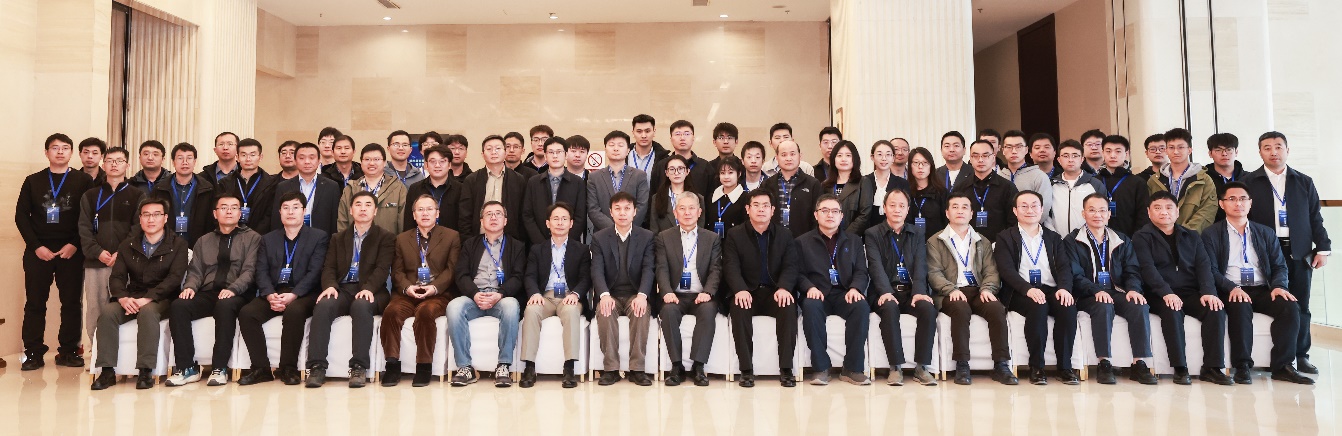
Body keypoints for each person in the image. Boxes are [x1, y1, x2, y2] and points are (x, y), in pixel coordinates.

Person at [1201, 182, 1313, 384]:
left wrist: (1279, 286)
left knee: (1289, 307)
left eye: (1243, 199)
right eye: (1232, 199)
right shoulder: (1211, 234)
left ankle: (1283, 366)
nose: (1238, 203)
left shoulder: (1265, 232)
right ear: (1221, 204)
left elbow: (1279, 266)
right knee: (1240, 306)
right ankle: (1242, 366)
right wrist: (1231, 287)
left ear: (1250, 203)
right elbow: (1211, 270)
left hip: (1262, 289)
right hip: (1231, 289)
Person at [1241, 131, 1330, 375]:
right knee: (1272, 302)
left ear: (1287, 150)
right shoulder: (1249, 182)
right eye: (1267, 148)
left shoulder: (1304, 181)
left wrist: (1322, 248)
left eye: (1278, 147)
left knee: (1301, 304)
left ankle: (1301, 355)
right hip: (1265, 251)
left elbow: (1315, 217)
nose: (1273, 152)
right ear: (1260, 152)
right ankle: (1271, 356)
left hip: (1299, 251)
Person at [88, 197, 189, 390]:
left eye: (156, 215)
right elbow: (117, 277)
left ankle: (145, 371)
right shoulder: (127, 245)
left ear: (165, 218)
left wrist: (148, 298)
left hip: (163, 297)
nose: (151, 219)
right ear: (140, 219)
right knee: (108, 313)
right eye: (146, 215)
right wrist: (123, 297)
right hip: (132, 296)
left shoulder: (178, 244)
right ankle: (107, 371)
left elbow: (174, 279)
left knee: (148, 312)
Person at [1132, 191, 1232, 385]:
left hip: (1189, 292)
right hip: (1158, 294)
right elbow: (1147, 269)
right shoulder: (1141, 237)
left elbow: (1204, 267)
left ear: (1177, 211)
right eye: (1158, 208)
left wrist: (1208, 292)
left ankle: (1212, 368)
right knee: (1172, 310)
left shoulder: (1191, 236)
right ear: (1149, 212)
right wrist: (1166, 293)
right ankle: (1180, 368)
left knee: (1215, 309)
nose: (1164, 212)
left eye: (1169, 207)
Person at [164, 193, 264, 387]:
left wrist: (234, 289)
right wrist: (190, 287)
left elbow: (250, 271)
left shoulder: (253, 238)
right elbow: (195, 271)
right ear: (215, 213)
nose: (229, 211)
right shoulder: (204, 241)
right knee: (179, 306)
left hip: (239, 294)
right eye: (223, 208)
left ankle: (219, 368)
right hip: (208, 292)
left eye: (234, 208)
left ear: (240, 213)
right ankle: (187, 368)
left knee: (224, 306)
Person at [237, 192, 331, 386]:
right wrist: (269, 294)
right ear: (279, 212)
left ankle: (288, 368)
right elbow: (261, 270)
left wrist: (294, 294)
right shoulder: (268, 239)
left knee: (294, 311)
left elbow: (315, 272)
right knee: (247, 313)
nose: (290, 212)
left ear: (304, 211)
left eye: (296, 207)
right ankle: (261, 368)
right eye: (286, 208)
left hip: (304, 293)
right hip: (274, 291)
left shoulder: (318, 237)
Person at [1066, 194, 1159, 385]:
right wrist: (1095, 290)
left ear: (1109, 214)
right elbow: (1075, 275)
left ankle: (1139, 363)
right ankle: (1104, 363)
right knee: (1103, 306)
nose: (1097, 215)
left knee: (1139, 305)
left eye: (1102, 210)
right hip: (1087, 294)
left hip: (1117, 291)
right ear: (1083, 213)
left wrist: (1133, 289)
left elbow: (1132, 270)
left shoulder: (1121, 239)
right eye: (1092, 210)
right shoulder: (1072, 240)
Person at [306, 191, 396, 388]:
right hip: (343, 288)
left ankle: (359, 367)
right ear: (351, 210)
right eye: (358, 204)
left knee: (361, 306)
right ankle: (317, 367)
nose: (363, 209)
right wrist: (330, 286)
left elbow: (382, 269)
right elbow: (329, 267)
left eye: (368, 205)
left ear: (375, 211)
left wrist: (369, 288)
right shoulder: (338, 238)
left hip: (373, 290)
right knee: (323, 305)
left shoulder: (386, 237)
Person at [928, 193, 1015, 386]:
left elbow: (991, 271)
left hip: (978, 290)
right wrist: (950, 289)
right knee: (960, 308)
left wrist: (987, 289)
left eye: (964, 207)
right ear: (947, 213)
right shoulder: (935, 241)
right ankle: (962, 364)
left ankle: (1001, 365)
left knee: (996, 308)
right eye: (955, 207)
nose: (960, 211)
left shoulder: (982, 241)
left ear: (971, 213)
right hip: (951, 292)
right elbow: (934, 273)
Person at [994, 190, 1079, 385]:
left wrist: (1064, 288)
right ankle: (1037, 367)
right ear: (1015, 211)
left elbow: (1064, 267)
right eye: (1023, 206)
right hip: (1020, 291)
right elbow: (1006, 270)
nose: (1029, 210)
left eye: (1034, 206)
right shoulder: (1005, 237)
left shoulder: (1053, 237)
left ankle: (1065, 368)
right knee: (1037, 306)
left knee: (1067, 307)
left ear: (1042, 210)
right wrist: (1027, 289)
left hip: (1051, 289)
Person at [380, 195, 462, 387]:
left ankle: (424, 366)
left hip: (437, 294)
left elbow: (452, 270)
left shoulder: (451, 236)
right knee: (391, 312)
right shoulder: (401, 239)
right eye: (420, 210)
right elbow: (397, 271)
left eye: (429, 209)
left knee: (426, 312)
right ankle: (392, 365)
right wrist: (408, 287)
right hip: (408, 293)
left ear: (437, 213)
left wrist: (434, 288)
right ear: (414, 215)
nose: (425, 213)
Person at [722, 189, 800, 388]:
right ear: (747, 209)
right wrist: (739, 289)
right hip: (748, 292)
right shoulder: (735, 235)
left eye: (766, 206)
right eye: (756, 205)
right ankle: (746, 370)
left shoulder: (784, 235)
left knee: (788, 307)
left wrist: (784, 287)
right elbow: (730, 266)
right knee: (738, 308)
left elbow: (791, 265)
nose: (761, 209)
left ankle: (786, 369)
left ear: (773, 210)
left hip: (775, 292)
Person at [863, 189, 938, 386]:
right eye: (892, 205)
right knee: (889, 308)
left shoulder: (917, 233)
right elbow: (875, 266)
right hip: (885, 291)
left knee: (928, 309)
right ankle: (895, 367)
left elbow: (921, 264)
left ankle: (922, 367)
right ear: (884, 208)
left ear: (907, 210)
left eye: (902, 206)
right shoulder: (872, 234)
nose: (897, 209)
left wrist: (919, 292)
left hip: (911, 291)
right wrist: (885, 291)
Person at [447, 201, 527, 387]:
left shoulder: (516, 246)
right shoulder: (470, 244)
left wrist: (501, 294)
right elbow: (461, 275)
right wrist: (474, 294)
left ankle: (503, 366)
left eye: (498, 214)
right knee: (454, 307)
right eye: (489, 214)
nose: (493, 217)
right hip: (474, 297)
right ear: (481, 221)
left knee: (511, 306)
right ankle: (465, 367)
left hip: (501, 297)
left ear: (505, 220)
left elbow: (518, 277)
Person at [797, 194, 872, 386]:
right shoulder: (802, 242)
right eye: (825, 210)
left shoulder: (854, 241)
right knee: (810, 306)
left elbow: (861, 271)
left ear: (841, 216)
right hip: (817, 293)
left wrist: (855, 288)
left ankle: (852, 369)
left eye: (835, 211)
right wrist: (809, 287)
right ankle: (821, 368)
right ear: (816, 215)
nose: (830, 215)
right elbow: (797, 272)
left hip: (845, 293)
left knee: (861, 306)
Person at [519, 203, 591, 388]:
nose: (560, 223)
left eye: (564, 219)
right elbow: (529, 276)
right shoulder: (537, 249)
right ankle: (529, 367)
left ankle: (569, 368)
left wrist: (576, 294)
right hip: (545, 296)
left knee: (571, 311)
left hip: (569, 296)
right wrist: (535, 293)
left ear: (571, 223)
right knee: (531, 310)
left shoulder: (581, 249)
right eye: (556, 219)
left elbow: (586, 277)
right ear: (548, 223)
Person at [77, 146, 144, 344]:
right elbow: (83, 228)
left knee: (126, 306)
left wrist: (121, 253)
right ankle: (97, 350)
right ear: (103, 164)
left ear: (128, 165)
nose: (114, 164)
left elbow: (138, 229)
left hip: (127, 263)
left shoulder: (137, 196)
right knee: (95, 307)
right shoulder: (90, 195)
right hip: (96, 262)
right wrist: (97, 252)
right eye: (110, 160)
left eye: (119, 161)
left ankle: (123, 351)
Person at [655, 193, 721, 386]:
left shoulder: (712, 238)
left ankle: (698, 367)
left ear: (699, 212)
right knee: (668, 312)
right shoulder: (664, 237)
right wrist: (666, 291)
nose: (687, 212)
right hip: (675, 295)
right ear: (675, 213)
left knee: (708, 311)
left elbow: (716, 269)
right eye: (682, 208)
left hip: (701, 295)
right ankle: (677, 367)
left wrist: (707, 292)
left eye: (691, 208)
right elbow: (661, 268)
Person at [591, 192, 657, 386]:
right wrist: (604, 295)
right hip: (610, 293)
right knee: (605, 311)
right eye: (617, 209)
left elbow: (649, 269)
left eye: (627, 208)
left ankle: (637, 369)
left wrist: (642, 295)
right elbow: (596, 270)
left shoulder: (646, 237)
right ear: (610, 212)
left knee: (640, 311)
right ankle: (611, 369)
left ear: (635, 212)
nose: (622, 213)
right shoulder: (600, 238)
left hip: (635, 293)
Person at [460, 134, 529, 242]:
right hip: (479, 239)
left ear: (505, 152)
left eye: (498, 148)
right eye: (489, 149)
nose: (494, 152)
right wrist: (469, 241)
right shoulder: (472, 180)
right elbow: (465, 214)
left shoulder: (518, 180)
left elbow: (523, 213)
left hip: (510, 240)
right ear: (482, 154)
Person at [1145, 128, 1217, 232]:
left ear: (1189, 150)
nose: (1176, 151)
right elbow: (1149, 210)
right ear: (1166, 150)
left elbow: (1208, 211)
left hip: (1192, 236)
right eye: (1171, 147)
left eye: (1181, 147)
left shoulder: (1204, 180)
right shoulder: (1154, 180)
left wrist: (1185, 234)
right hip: (1160, 236)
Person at [523, 137, 588, 243]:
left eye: (559, 152)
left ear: (566, 155)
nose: (555, 156)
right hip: (538, 244)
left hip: (569, 244)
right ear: (545, 156)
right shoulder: (533, 182)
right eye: (551, 152)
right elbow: (527, 215)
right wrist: (540, 242)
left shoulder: (577, 182)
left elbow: (580, 217)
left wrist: (566, 242)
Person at [151, 142, 216, 246]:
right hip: (166, 245)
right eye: (180, 158)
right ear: (173, 162)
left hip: (199, 245)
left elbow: (211, 221)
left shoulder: (207, 189)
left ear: (195, 162)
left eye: (189, 158)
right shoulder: (160, 188)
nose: (185, 162)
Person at [270, 142, 342, 235]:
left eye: (311, 158)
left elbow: (334, 219)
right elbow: (277, 220)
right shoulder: (283, 187)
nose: (307, 162)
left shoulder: (331, 186)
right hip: (291, 239)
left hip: (322, 240)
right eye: (302, 158)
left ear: (319, 160)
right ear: (295, 161)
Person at [954, 140, 1018, 240]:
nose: (980, 160)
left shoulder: (1007, 187)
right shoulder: (960, 188)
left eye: (985, 155)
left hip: (999, 244)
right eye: (976, 156)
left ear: (993, 157)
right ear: (970, 158)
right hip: (967, 243)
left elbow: (1013, 221)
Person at [337, 144, 406, 235]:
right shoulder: (350, 189)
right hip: (356, 243)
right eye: (367, 159)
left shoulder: (398, 188)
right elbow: (342, 223)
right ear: (361, 162)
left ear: (384, 162)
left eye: (376, 159)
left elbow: (403, 224)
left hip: (389, 243)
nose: (372, 163)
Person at [588, 130, 651, 231]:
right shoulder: (594, 177)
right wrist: (614, 229)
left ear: (628, 150)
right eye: (611, 145)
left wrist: (626, 227)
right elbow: (593, 209)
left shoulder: (639, 176)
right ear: (605, 149)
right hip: (603, 234)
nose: (616, 149)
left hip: (632, 233)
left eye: (620, 145)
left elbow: (642, 206)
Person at [217, 138, 278, 234]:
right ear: (237, 157)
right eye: (244, 155)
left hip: (261, 236)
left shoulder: (271, 184)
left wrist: (255, 236)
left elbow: (270, 215)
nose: (248, 159)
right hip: (231, 235)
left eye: (252, 155)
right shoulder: (225, 183)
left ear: (260, 157)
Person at [849, 140, 911, 234]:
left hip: (894, 234)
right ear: (872, 157)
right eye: (879, 154)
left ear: (893, 158)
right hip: (866, 233)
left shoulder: (902, 183)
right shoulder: (863, 181)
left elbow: (907, 213)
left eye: (888, 154)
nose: (884, 158)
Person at [762, 140, 821, 236]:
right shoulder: (767, 184)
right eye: (784, 155)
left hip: (804, 240)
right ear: (777, 158)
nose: (788, 158)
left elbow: (817, 217)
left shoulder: (813, 184)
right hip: (773, 239)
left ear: (800, 156)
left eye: (792, 154)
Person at [404, 144, 466, 234]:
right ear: (426, 165)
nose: (437, 165)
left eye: (442, 161)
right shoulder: (415, 189)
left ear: (449, 165)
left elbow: (464, 222)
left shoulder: (461, 189)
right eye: (433, 161)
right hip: (420, 240)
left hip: (452, 241)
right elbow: (409, 222)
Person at [1096, 135, 1150, 237]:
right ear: (1102, 153)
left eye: (1118, 151)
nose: (1113, 155)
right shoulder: (1094, 181)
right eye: (1108, 151)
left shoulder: (1137, 182)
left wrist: (1136, 238)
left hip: (1129, 239)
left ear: (1126, 154)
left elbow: (1143, 215)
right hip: (1097, 238)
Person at [1048, 140, 1105, 236]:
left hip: (1088, 240)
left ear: (1082, 159)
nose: (1070, 160)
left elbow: (1103, 213)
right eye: (1066, 156)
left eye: (1075, 156)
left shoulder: (1094, 184)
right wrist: (1054, 237)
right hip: (1058, 240)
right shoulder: (1051, 184)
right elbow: (1046, 214)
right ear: (1059, 160)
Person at [998, 130, 1054, 228]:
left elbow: (1044, 209)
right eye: (1009, 147)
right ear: (1003, 150)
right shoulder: (998, 176)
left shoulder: (1039, 176)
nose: (1014, 151)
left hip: (1030, 230)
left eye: (1019, 147)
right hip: (1002, 231)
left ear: (1026, 150)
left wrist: (1027, 229)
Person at [649, 120, 715, 195]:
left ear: (693, 138)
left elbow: (711, 197)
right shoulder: (661, 166)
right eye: (677, 134)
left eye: (687, 134)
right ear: (671, 139)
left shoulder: (705, 166)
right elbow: (654, 195)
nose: (682, 138)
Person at [819, 140, 869, 234]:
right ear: (833, 159)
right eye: (839, 155)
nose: (843, 159)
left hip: (852, 237)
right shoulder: (825, 185)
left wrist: (845, 236)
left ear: (855, 159)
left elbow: (864, 215)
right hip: (829, 235)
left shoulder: (863, 182)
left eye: (848, 155)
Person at [648, 154, 705, 234]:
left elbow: (700, 229)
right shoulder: (657, 198)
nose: (676, 173)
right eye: (672, 169)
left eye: (680, 169)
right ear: (666, 173)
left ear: (687, 171)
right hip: (665, 241)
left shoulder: (698, 198)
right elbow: (654, 230)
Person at [1204, 133, 1247, 222]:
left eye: (1229, 149)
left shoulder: (1248, 178)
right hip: (1212, 228)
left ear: (1236, 152)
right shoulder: (1203, 180)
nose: (1224, 154)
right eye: (1218, 150)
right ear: (1210, 153)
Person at [908, 147, 949, 237]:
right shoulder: (905, 192)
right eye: (916, 163)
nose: (920, 167)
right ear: (910, 166)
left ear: (931, 166)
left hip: (935, 242)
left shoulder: (941, 192)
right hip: (910, 242)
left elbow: (947, 222)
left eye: (925, 163)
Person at [708, 156, 749, 238]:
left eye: (730, 172)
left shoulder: (746, 198)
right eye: (722, 173)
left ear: (739, 174)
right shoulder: (711, 197)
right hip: (712, 243)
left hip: (735, 243)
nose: (726, 177)